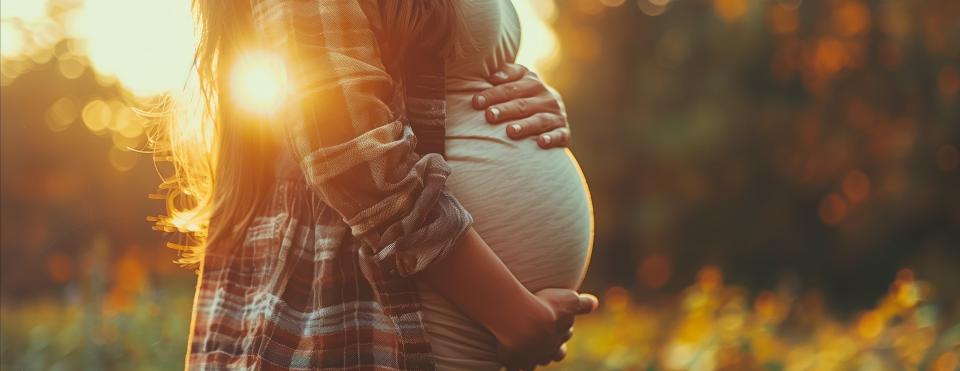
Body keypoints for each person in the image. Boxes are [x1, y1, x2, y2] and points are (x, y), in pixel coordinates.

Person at [154, 1, 596, 369]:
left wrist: (533, 94)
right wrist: (511, 312)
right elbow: (352, 154)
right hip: (391, 304)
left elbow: (448, 74)